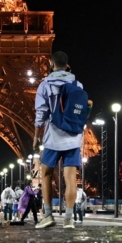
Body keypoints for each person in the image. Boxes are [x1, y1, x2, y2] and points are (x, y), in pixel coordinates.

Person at [33, 51, 86, 229]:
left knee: (46, 173)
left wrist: (35, 136)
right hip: (73, 137)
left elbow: (41, 113)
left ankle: (48, 215)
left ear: (50, 63)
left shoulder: (45, 84)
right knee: (71, 179)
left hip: (53, 137)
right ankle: (69, 219)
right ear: (67, 64)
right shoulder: (76, 83)